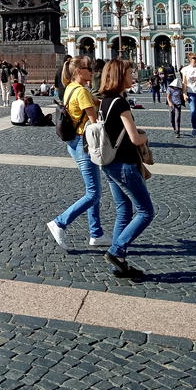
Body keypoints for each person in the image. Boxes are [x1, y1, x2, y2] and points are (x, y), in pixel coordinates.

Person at [98, 59, 155, 279]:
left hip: (110, 164)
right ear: (120, 76)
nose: (134, 76)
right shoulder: (121, 103)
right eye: (130, 73)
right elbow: (134, 138)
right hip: (125, 164)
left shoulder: (105, 101)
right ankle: (116, 251)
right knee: (146, 212)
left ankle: (119, 263)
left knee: (123, 210)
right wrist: (145, 136)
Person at [46, 56, 109, 250]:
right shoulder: (81, 91)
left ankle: (96, 233)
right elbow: (94, 122)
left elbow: (96, 102)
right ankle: (59, 222)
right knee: (93, 193)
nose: (92, 71)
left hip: (73, 142)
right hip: (84, 144)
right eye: (88, 68)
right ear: (78, 71)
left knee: (93, 191)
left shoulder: (71, 88)